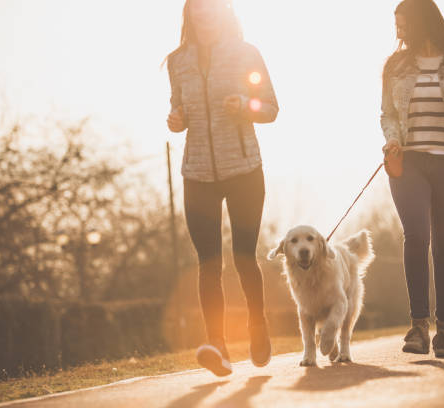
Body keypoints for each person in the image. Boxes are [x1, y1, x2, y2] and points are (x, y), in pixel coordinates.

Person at [165, 0, 278, 376]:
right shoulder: (177, 61)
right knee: (208, 264)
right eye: (196, 7)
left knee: (244, 258)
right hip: (197, 172)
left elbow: (271, 108)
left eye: (209, 6)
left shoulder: (246, 53)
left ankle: (257, 328)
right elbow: (177, 112)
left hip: (244, 169)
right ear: (189, 14)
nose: (203, 13)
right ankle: (218, 345)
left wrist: (246, 103)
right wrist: (175, 119)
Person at [380, 0, 444, 358]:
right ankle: (419, 327)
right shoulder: (394, 66)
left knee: (443, 245)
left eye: (404, 25)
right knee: (416, 236)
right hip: (409, 163)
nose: (399, 32)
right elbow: (387, 114)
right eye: (397, 26)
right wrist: (393, 137)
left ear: (422, 21)